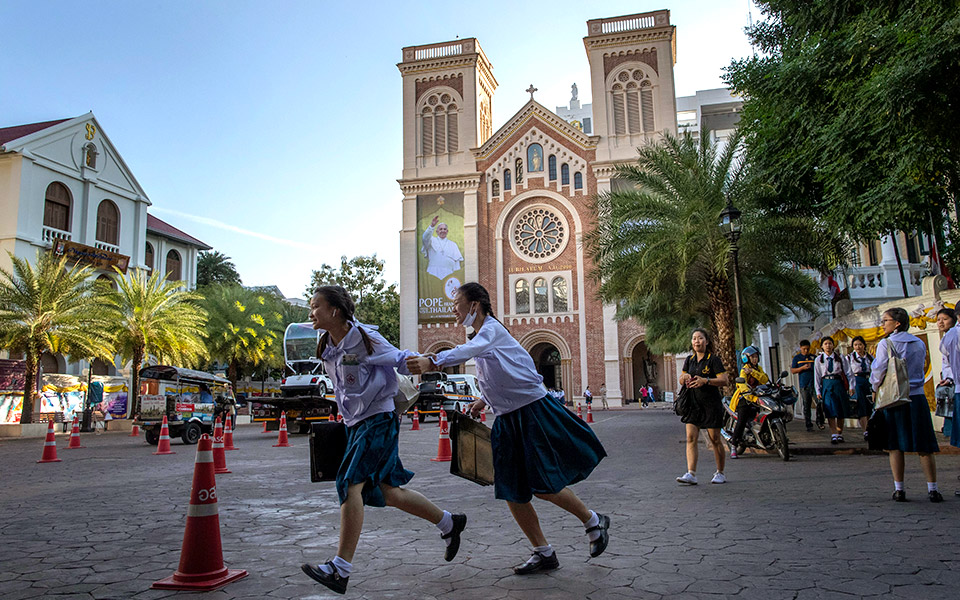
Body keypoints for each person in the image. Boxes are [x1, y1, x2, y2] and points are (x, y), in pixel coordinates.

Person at [406, 282, 609, 575]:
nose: (453, 308)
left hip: (532, 412)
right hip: (507, 417)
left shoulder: (490, 331)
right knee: (511, 489)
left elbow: (476, 352)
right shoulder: (484, 334)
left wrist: (432, 360)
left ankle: (593, 521)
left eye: (457, 302)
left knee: (543, 484)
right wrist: (483, 400)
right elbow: (502, 372)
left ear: (474, 306)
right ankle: (544, 552)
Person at [300, 285, 467, 594]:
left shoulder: (365, 339)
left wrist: (425, 361)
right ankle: (448, 523)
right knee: (388, 493)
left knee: (349, 483)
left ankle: (340, 568)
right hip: (355, 424)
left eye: (316, 306)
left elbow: (399, 359)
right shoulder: (327, 344)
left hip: (377, 421)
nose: (311, 312)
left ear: (334, 311)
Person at [871, 307, 942, 502]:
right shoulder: (918, 343)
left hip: (895, 398)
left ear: (897, 323)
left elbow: (878, 371)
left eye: (886, 320)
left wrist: (875, 388)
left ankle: (899, 488)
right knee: (925, 445)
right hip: (917, 396)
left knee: (895, 445)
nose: (883, 324)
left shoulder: (886, 344)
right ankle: (932, 488)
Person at [676, 328, 729, 485]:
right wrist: (684, 377)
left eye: (700, 338)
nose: (696, 341)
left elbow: (724, 380)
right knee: (690, 438)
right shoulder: (689, 360)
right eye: (694, 339)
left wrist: (705, 380)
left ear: (706, 341)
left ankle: (720, 473)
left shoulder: (713, 360)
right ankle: (691, 473)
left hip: (711, 404)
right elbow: (681, 379)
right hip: (692, 404)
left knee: (715, 439)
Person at [729, 346, 769, 459]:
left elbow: (765, 379)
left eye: (756, 357)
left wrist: (753, 372)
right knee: (742, 420)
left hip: (759, 397)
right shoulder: (743, 370)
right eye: (752, 357)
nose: (755, 359)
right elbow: (742, 386)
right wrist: (751, 397)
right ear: (746, 358)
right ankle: (733, 445)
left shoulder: (758, 369)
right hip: (745, 399)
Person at [814, 336, 853, 444]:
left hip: (838, 384)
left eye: (830, 343)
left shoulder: (840, 358)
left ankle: (840, 433)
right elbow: (817, 376)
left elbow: (849, 372)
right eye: (825, 344)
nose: (828, 346)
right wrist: (818, 390)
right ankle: (833, 433)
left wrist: (851, 386)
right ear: (822, 346)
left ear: (833, 345)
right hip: (827, 384)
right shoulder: (819, 360)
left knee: (840, 409)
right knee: (830, 409)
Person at [847, 335, 874, 438]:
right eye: (855, 345)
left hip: (869, 381)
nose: (858, 347)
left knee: (870, 405)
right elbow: (848, 373)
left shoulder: (870, 357)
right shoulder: (850, 358)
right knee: (861, 406)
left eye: (860, 344)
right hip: (857, 381)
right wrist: (851, 386)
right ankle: (865, 430)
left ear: (864, 345)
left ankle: (872, 428)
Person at [421, 215, 463, 280]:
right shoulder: (431, 240)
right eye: (440, 229)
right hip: (433, 272)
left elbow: (457, 263)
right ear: (437, 231)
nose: (443, 231)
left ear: (447, 231)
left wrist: (456, 276)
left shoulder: (453, 244)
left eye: (444, 229)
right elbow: (425, 238)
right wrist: (432, 226)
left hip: (449, 273)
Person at [791, 340, 820, 431]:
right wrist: (802, 368)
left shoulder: (813, 357)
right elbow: (793, 370)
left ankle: (820, 420)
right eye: (804, 349)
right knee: (806, 404)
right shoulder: (797, 358)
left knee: (819, 402)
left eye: (807, 349)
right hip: (804, 384)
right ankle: (808, 424)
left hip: (814, 384)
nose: (806, 351)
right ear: (800, 348)